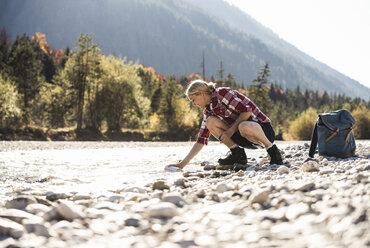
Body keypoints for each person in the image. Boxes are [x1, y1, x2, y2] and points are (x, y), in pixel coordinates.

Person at [166, 80, 283, 170]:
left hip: (263, 131)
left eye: (193, 100)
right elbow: (201, 140)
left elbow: (247, 112)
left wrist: (229, 132)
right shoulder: (208, 111)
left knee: (243, 126)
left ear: (201, 93)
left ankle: (273, 151)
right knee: (210, 122)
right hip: (244, 136)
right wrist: (182, 164)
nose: (194, 104)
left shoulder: (223, 94)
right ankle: (238, 155)